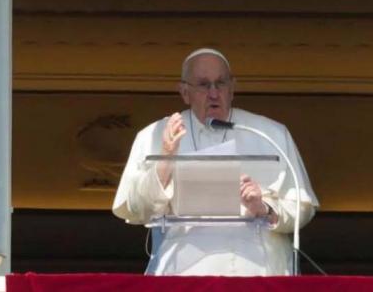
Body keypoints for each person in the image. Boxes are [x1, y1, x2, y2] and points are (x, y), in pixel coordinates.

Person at [112, 48, 319, 276]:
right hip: (184, 274)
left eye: (220, 83)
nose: (213, 93)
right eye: (203, 85)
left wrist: (264, 208)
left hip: (259, 271)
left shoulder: (270, 133)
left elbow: (302, 208)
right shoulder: (154, 135)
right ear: (184, 92)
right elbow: (136, 209)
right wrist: (166, 158)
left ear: (232, 89)